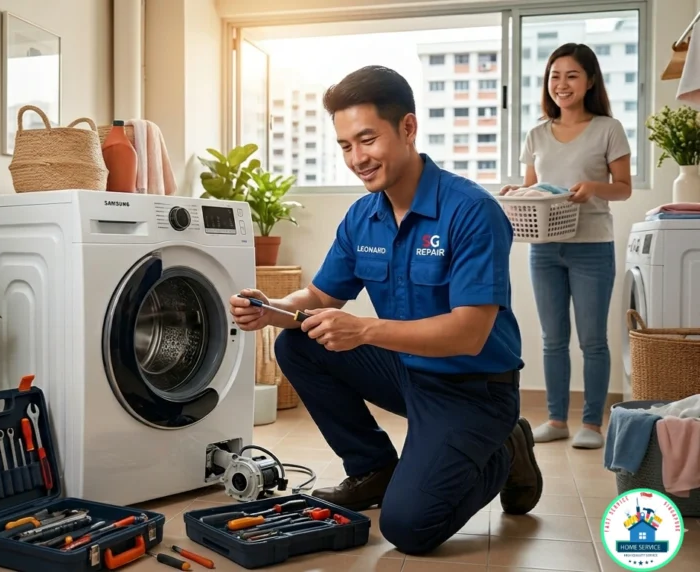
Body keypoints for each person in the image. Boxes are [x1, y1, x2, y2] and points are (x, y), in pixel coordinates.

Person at [229, 65, 543, 556]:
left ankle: (504, 448)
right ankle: (374, 469)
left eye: (367, 139)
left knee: (409, 528)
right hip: (407, 374)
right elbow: (319, 297)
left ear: (408, 129)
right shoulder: (363, 217)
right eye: (345, 146)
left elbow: (469, 334)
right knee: (299, 342)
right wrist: (272, 309)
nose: (357, 158)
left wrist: (366, 330)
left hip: (472, 390)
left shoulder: (471, 211)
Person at [501, 43, 632, 450]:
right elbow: (533, 185)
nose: (562, 84)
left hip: (592, 245)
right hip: (544, 247)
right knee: (551, 338)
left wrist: (594, 187)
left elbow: (623, 189)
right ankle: (557, 419)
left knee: (592, 339)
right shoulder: (537, 133)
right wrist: (516, 192)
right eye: (555, 76)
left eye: (572, 75)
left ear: (590, 80)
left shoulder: (608, 128)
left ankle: (592, 424)